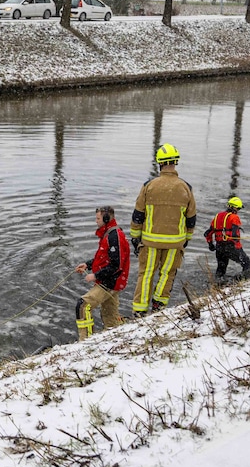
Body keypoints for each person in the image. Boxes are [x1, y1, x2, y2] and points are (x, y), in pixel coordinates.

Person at [129, 144, 197, 317]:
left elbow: (138, 215)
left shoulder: (149, 186)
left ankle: (140, 311)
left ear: (159, 163)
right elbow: (191, 219)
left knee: (146, 275)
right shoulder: (185, 187)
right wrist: (186, 239)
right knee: (167, 274)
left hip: (150, 242)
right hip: (175, 243)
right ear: (175, 162)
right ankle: (158, 306)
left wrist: (135, 238)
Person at [74, 206, 131, 340]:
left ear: (106, 218)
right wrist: (88, 264)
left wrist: (95, 275)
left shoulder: (114, 236)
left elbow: (116, 265)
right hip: (112, 281)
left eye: (98, 218)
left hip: (110, 282)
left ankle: (85, 340)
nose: (96, 221)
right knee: (110, 316)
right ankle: (115, 335)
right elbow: (104, 258)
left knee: (82, 305)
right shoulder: (109, 234)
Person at [204, 196, 250, 282]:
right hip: (231, 247)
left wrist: (211, 244)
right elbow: (234, 235)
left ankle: (217, 286)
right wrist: (237, 247)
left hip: (219, 247)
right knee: (246, 264)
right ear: (234, 208)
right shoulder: (234, 217)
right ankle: (242, 282)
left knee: (221, 269)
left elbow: (207, 233)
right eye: (238, 209)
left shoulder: (217, 216)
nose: (238, 211)